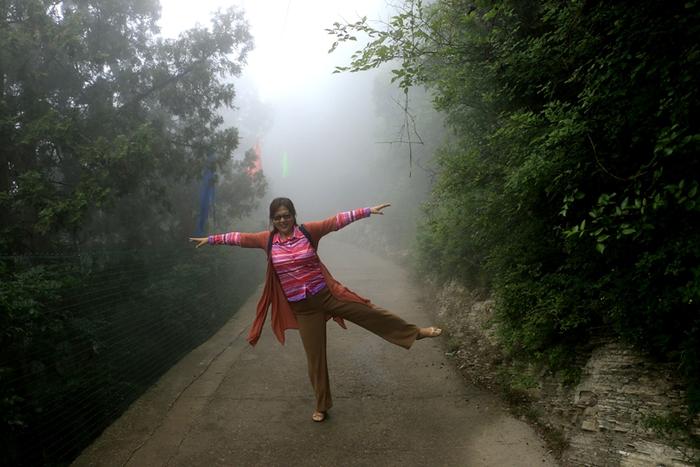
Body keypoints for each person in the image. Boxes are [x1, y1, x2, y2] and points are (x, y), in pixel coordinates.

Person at [189, 197, 442, 422]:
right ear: (272, 220)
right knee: (315, 358)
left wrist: (366, 210)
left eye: (287, 215)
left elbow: (335, 221)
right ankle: (322, 405)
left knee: (369, 311)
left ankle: (413, 333)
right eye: (277, 217)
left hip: (328, 295)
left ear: (293, 215)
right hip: (304, 309)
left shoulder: (308, 232)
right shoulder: (267, 241)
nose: (283, 220)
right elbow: (238, 238)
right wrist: (210, 239)